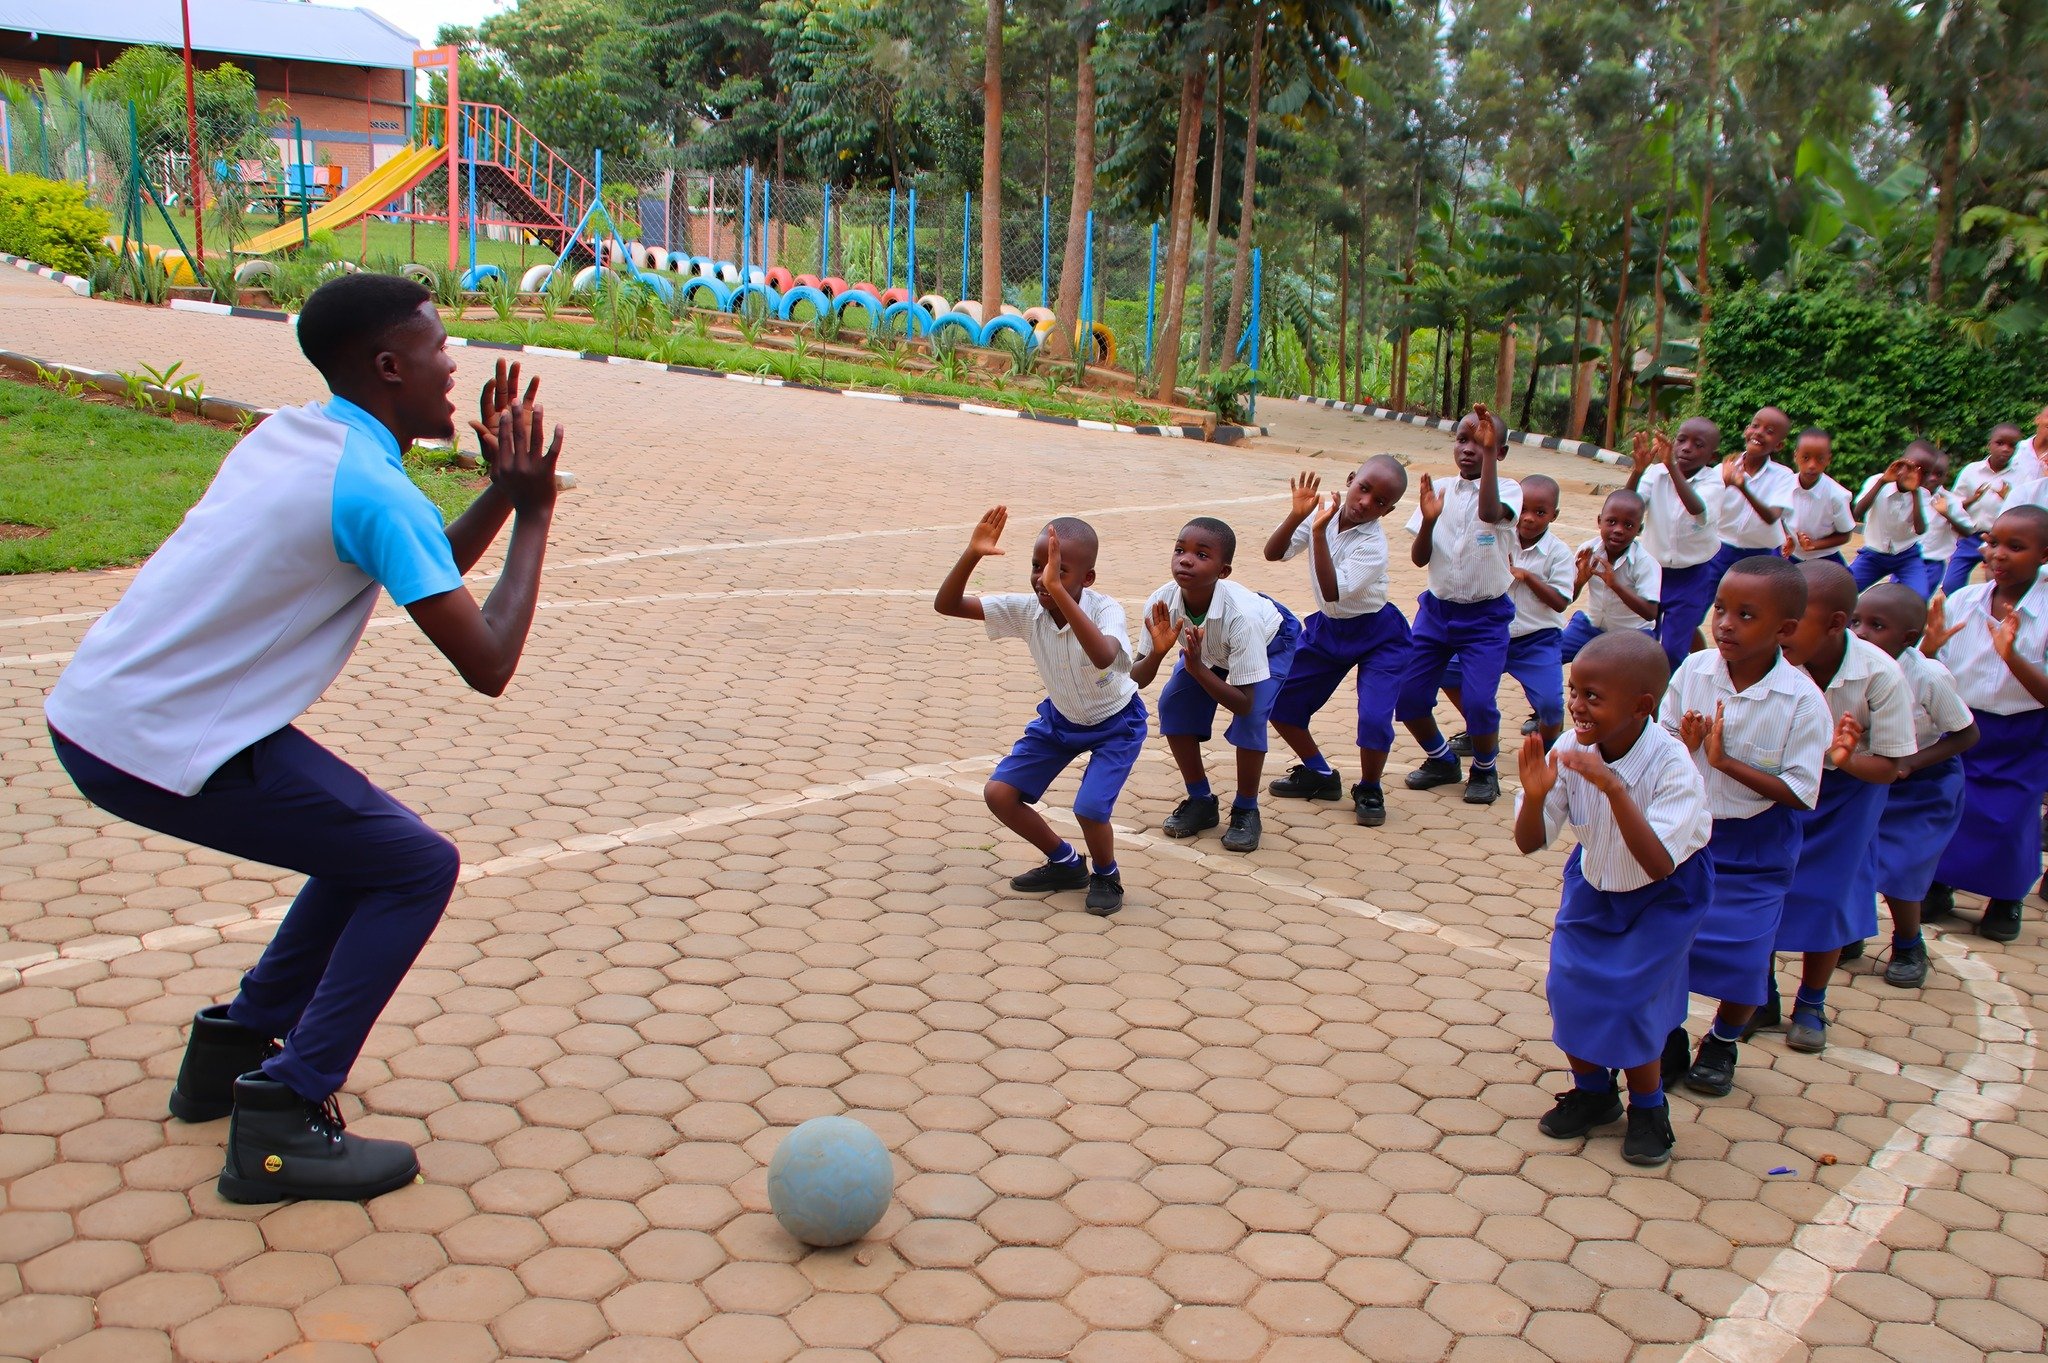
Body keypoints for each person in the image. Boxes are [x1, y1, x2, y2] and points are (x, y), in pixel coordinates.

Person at [44, 275, 565, 1203]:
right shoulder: (371, 486)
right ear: (388, 366)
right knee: (414, 865)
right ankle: (282, 1117)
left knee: (369, 846)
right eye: (439, 347)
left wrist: (496, 492)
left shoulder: (299, 438)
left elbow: (419, 557)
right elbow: (487, 662)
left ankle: (234, 1050)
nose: (454, 366)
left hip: (108, 715)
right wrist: (532, 510)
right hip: (157, 740)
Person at [1515, 632, 1713, 1168]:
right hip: (1595, 883)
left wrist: (1614, 789)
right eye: (1573, 690)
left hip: (1664, 894)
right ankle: (1594, 1092)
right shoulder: (1569, 748)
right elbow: (1530, 841)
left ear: (1642, 706)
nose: (1577, 705)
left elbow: (1657, 863)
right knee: (1569, 987)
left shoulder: (1673, 765)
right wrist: (1535, 799)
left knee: (1631, 998)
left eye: (1594, 697)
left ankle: (1649, 1108)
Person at [1658, 555, 1831, 1098]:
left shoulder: (1802, 701)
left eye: (1746, 615)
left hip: (1757, 841)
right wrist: (1682, 750)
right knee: (1669, 943)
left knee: (1744, 950)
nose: (1726, 624)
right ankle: (1668, 1034)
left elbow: (1802, 793)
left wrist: (1726, 760)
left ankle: (1724, 1040)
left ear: (1784, 630)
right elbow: (1659, 741)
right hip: (1689, 833)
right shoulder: (1694, 671)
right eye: (1721, 609)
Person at [935, 509, 1144, 916]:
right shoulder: (1027, 609)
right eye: (1036, 566)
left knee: (1089, 808)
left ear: (1087, 579)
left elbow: (1103, 656)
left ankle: (1106, 874)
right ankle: (1066, 864)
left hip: (1116, 723)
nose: (1042, 578)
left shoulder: (1106, 611)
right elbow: (948, 605)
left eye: (1058, 570)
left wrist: (1057, 591)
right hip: (1061, 719)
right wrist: (972, 553)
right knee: (999, 794)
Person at [1764, 561, 1916, 1053]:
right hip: (1781, 787)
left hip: (1849, 794)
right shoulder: (1771, 659)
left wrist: (1842, 759)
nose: (1780, 629)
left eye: (1794, 619)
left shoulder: (1880, 674)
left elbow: (1892, 765)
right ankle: (1756, 992)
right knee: (1763, 887)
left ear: (1834, 623)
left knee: (1828, 895)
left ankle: (1811, 1000)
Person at [1131, 517, 1301, 853]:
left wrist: (1196, 669)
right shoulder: (1162, 602)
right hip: (1207, 651)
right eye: (1180, 549)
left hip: (1270, 642)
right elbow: (1136, 679)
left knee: (1251, 722)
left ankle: (1246, 809)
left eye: (1201, 555)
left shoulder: (1242, 616)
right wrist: (1157, 655)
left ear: (1223, 572)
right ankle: (1201, 801)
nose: (1186, 559)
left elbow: (1243, 703)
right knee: (1173, 704)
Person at [1922, 505, 2048, 943]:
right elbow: (1930, 669)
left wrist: (2012, 656)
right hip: (1964, 725)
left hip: (2024, 731)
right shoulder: (1962, 601)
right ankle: (1939, 885)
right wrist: (1930, 647)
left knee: (2010, 817)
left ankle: (2006, 897)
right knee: (1954, 806)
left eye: (2016, 546)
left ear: (2044, 554)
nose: (1998, 553)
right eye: (1993, 542)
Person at [1263, 458, 1412, 828]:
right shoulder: (1322, 513)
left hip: (1379, 635)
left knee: (1375, 717)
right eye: (1363, 489)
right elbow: (1273, 552)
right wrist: (1296, 515)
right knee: (1279, 703)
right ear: (1350, 480)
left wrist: (1317, 532)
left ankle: (1370, 787)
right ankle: (1319, 774)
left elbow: (1331, 592)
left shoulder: (1373, 546)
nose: (1365, 502)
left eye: (1379, 502)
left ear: (1388, 511)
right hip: (1330, 630)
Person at [1851, 584, 1978, 987]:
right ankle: (1849, 931)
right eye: (1856, 622)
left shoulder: (1927, 677)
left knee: (1902, 868)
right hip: (1871, 777)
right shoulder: (1850, 667)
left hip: (1924, 783)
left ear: (1908, 639)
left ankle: (1909, 941)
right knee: (1854, 859)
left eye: (1877, 625)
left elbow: (1966, 735)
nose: (1862, 633)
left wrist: (1911, 763)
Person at [1396, 404, 1523, 805]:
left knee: (1480, 702)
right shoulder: (1442, 490)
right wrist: (1430, 519)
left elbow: (1489, 512)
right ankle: (1441, 759)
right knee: (1408, 696)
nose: (1469, 448)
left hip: (1485, 617)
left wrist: (1487, 459)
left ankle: (1484, 768)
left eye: (1482, 443)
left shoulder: (1509, 490)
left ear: (1500, 453)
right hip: (1436, 611)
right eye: (1463, 439)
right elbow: (1419, 558)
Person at [1448, 473, 1574, 752]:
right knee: (1446, 671)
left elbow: (1561, 602)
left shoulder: (1559, 553)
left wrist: (1527, 577)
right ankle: (1479, 728)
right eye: (1524, 510)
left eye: (1539, 512)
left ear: (1554, 515)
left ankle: (1553, 752)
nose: (1528, 518)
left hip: (1536, 640)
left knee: (1551, 707)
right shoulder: (1496, 538)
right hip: (1491, 635)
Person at [1629, 420, 1724, 671]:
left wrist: (1671, 467)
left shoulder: (1713, 482)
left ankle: (1667, 701)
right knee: (1642, 641)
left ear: (1712, 456)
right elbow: (1629, 509)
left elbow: (1698, 510)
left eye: (1698, 444)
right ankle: (1641, 697)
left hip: (1692, 577)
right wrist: (1637, 472)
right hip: (1652, 572)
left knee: (1673, 649)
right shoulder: (1654, 474)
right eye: (1681, 440)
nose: (1686, 448)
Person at [1561, 489, 1660, 662]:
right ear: (1600, 521)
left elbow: (1650, 613)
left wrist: (1615, 585)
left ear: (1639, 529)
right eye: (1611, 522)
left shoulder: (1645, 563)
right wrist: (1579, 582)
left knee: (1617, 677)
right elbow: (1567, 597)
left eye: (1628, 525)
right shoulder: (1588, 551)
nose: (1618, 530)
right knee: (1551, 655)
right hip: (1592, 628)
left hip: (1632, 635)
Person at [1708, 406, 1798, 589]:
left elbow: (1771, 516)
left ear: (1779, 445)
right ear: (1746, 430)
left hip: (1762, 556)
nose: (1759, 433)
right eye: (1755, 426)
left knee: (1755, 607)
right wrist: (1724, 485)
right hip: (1719, 549)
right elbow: (1706, 508)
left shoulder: (1784, 476)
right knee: (1705, 599)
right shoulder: (1723, 470)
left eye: (1770, 431)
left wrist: (1743, 488)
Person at [1936, 425, 2023, 595]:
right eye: (2000, 443)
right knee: (1951, 584)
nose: (2005, 449)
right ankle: (1963, 616)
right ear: (1989, 444)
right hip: (1970, 536)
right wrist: (1973, 498)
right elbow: (1955, 505)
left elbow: (2023, 512)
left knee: (1997, 584)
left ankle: (1989, 617)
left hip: (2001, 539)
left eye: (2012, 445)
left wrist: (2009, 498)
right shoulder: (1971, 471)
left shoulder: (2020, 476)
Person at [1849, 444, 1934, 597]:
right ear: (1900, 464)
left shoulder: (1924, 495)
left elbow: (1920, 529)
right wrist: (1882, 481)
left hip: (1907, 556)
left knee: (1920, 597)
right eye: (1910, 468)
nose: (1916, 476)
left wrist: (1915, 493)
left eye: (1924, 473)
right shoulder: (1876, 481)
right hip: (1874, 555)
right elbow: (1857, 513)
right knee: (1845, 589)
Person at [1782, 429, 1854, 566]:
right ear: (1795, 456)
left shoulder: (1837, 495)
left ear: (1828, 460)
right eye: (1805, 457)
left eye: (1820, 459)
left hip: (1825, 557)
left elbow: (1845, 534)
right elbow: (1777, 518)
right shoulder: (1783, 486)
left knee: (1846, 584)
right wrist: (1786, 536)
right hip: (1790, 553)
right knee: (1770, 581)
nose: (1812, 465)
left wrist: (1814, 545)